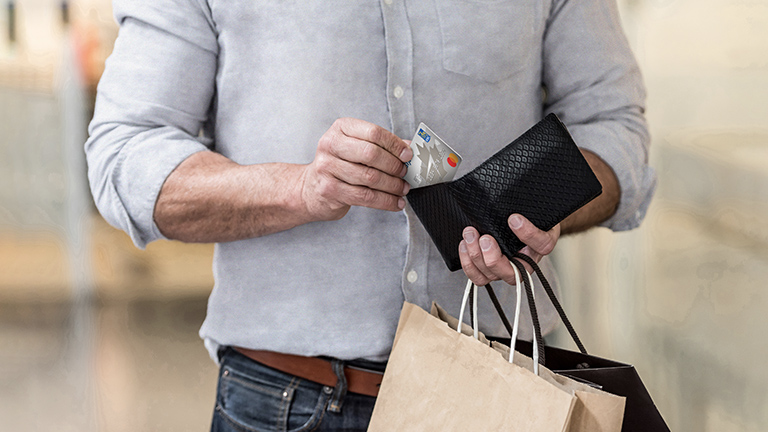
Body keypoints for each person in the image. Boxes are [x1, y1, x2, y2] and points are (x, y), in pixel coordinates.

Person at [85, 0, 656, 430]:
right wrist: (299, 189)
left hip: (503, 393)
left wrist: (537, 204)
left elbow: (615, 130)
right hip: (283, 399)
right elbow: (125, 155)